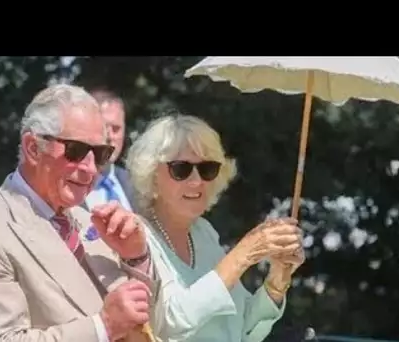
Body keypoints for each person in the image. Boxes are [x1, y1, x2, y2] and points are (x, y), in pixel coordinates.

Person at [0, 84, 160, 342]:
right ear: (34, 148)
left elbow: (152, 322)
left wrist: (135, 257)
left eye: (100, 153)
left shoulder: (88, 220)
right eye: (76, 151)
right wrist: (104, 327)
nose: (91, 169)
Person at [125, 114, 305, 342]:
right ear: (152, 174)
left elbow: (243, 330)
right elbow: (169, 326)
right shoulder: (135, 237)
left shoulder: (204, 232)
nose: (196, 181)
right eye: (180, 169)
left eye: (207, 169)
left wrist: (277, 281)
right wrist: (243, 255)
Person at [83, 88, 135, 211]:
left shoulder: (136, 185)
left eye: (116, 129)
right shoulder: (69, 183)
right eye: (103, 127)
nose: (110, 136)